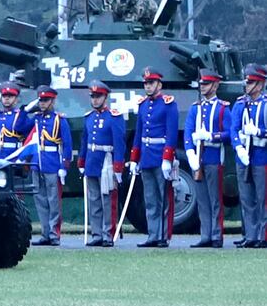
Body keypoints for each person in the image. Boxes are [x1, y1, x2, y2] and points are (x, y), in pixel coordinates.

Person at [128, 67, 179, 248]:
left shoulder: (168, 104)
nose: (148, 87)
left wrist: (167, 157)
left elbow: (171, 133)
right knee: (150, 199)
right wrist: (134, 158)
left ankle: (163, 236)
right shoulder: (143, 105)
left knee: (164, 198)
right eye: (146, 84)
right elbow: (139, 133)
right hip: (147, 156)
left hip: (160, 156)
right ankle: (153, 234)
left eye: (151, 83)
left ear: (159, 84)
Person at [184, 69, 231, 248]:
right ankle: (205, 235)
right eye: (202, 84)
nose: (203, 87)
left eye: (206, 84)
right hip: (199, 158)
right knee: (202, 200)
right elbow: (188, 132)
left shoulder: (222, 108)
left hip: (213, 157)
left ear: (215, 85)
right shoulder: (196, 108)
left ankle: (217, 235)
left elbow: (229, 133)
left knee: (215, 199)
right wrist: (190, 153)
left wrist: (212, 136)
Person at [77, 80, 125, 247]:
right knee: (94, 200)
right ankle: (96, 233)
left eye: (98, 97)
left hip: (106, 161)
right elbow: (85, 140)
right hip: (92, 161)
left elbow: (119, 143)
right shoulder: (89, 117)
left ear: (105, 97)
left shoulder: (114, 117)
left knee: (107, 200)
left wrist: (118, 167)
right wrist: (81, 161)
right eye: (93, 97)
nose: (95, 100)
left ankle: (108, 234)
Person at [230, 63, 267, 248]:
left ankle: (263, 235)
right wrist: (238, 148)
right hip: (244, 156)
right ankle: (251, 235)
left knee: (263, 198)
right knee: (247, 198)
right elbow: (233, 129)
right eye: (247, 81)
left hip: (261, 156)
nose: (247, 85)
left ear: (260, 85)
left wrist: (259, 132)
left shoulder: (265, 104)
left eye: (251, 82)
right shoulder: (240, 104)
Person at [30, 86, 72, 247]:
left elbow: (67, 145)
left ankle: (54, 234)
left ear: (53, 101)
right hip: (37, 162)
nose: (42, 104)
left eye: (45, 100)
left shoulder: (59, 120)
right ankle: (45, 233)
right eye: (40, 100)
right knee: (40, 200)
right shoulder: (36, 118)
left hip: (53, 163)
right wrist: (28, 108)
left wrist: (64, 166)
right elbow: (20, 126)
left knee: (53, 200)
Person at [0, 82, 33, 158]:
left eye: (10, 96)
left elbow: (27, 136)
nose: (7, 98)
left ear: (16, 99)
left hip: (13, 155)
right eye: (4, 96)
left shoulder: (20, 116)